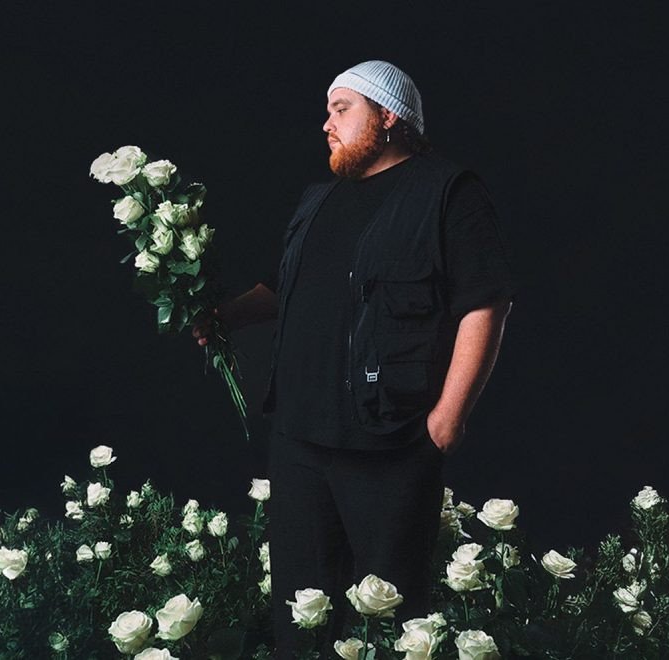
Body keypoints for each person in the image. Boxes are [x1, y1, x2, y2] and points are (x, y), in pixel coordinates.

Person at [193, 60, 516, 656]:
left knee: (390, 618)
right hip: (298, 439)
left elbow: (485, 304)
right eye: (327, 111)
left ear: (388, 116)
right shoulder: (319, 199)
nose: (327, 123)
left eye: (342, 109)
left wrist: (449, 418)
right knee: (301, 617)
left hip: (388, 441)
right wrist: (222, 315)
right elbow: (283, 286)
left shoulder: (447, 192)